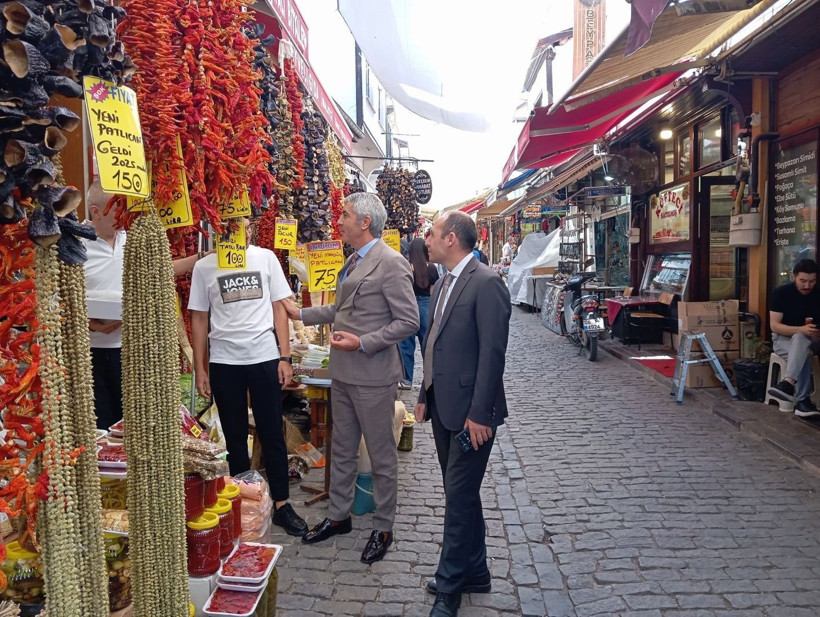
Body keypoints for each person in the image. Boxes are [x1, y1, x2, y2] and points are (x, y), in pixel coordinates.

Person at [283, 192, 418, 563]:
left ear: (364, 223)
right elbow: (342, 308)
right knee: (341, 448)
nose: (337, 220)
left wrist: (363, 342)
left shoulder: (391, 263)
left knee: (380, 455)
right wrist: (301, 314)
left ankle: (384, 525)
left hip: (373, 375)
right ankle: (339, 516)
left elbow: (409, 322)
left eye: (344, 215)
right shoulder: (354, 259)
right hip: (343, 372)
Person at [414, 211, 511, 617]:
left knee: (457, 498)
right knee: (463, 494)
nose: (426, 241)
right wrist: (424, 392)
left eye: (432, 234)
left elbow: (493, 355)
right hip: (442, 405)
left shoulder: (488, 283)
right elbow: (433, 342)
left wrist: (481, 415)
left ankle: (450, 585)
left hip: (473, 414)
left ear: (451, 239)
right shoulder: (440, 285)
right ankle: (477, 570)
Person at [189, 218, 308, 537]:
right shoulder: (205, 267)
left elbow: (279, 308)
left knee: (272, 432)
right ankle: (244, 501)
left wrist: (285, 356)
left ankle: (282, 504)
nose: (236, 229)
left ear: (252, 229)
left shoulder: (266, 258)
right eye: (229, 224)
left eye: (242, 224)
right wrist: (201, 367)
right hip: (224, 361)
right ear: (218, 229)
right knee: (235, 436)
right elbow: (199, 318)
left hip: (264, 357)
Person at [83, 181, 212, 430]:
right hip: (90, 352)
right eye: (115, 209)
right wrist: (89, 322)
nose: (122, 216)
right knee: (100, 423)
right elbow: (59, 297)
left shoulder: (131, 239)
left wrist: (201, 258)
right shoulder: (77, 243)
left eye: (123, 209)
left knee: (132, 423)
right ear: (95, 211)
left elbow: (161, 269)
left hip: (132, 349)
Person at [767, 258, 820, 418]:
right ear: (794, 276)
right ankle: (803, 402)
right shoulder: (781, 293)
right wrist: (800, 330)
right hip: (783, 339)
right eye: (803, 281)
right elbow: (774, 326)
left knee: (801, 343)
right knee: (801, 343)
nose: (807, 286)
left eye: (812, 281)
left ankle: (788, 384)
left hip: (815, 339)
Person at [398, 238, 439, 389]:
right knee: (427, 345)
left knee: (406, 346)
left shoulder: (406, 268)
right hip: (426, 306)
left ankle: (406, 380)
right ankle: (430, 378)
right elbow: (433, 293)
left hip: (408, 306)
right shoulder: (432, 268)